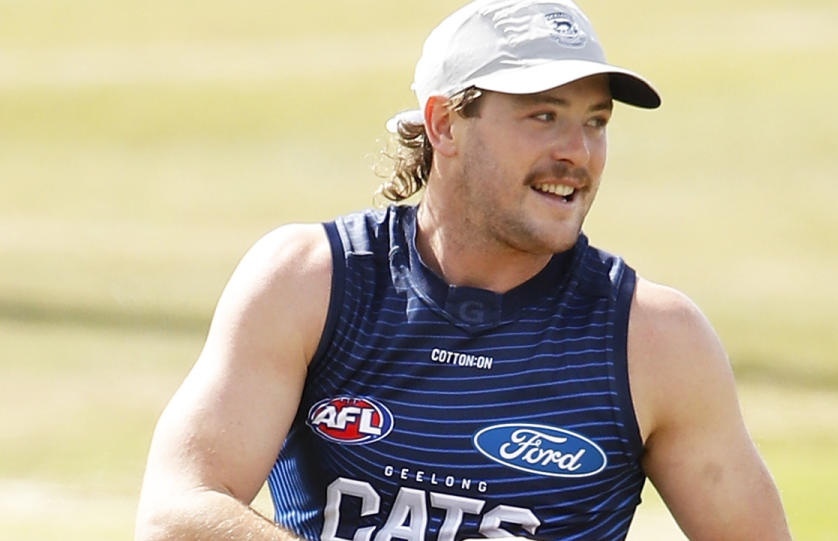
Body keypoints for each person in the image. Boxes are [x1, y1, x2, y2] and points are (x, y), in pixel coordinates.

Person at [135, 1, 792, 540]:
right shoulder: (309, 283)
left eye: (595, 121)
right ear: (446, 124)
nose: (579, 152)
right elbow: (174, 514)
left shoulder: (656, 340)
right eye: (544, 116)